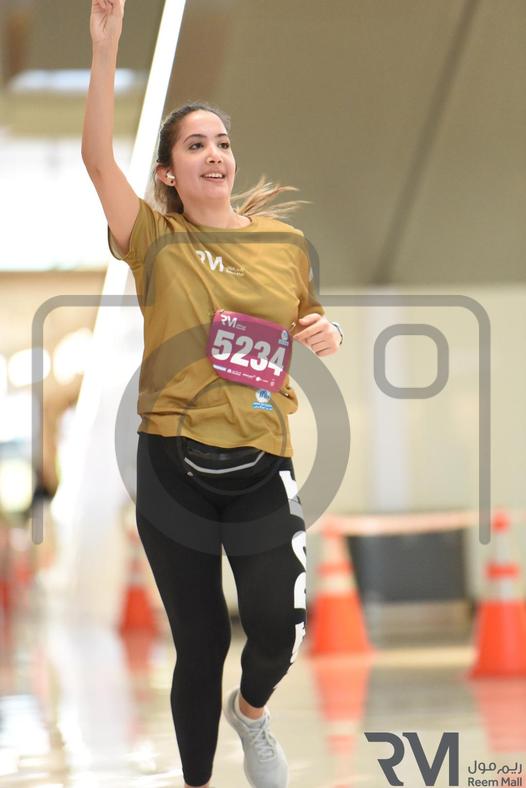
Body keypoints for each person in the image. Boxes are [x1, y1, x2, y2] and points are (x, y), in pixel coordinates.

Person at [82, 2, 343, 786]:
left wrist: (325, 330)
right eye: (195, 144)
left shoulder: (286, 246)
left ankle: (252, 714)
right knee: (200, 644)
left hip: (261, 459)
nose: (215, 154)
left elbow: (305, 321)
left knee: (277, 627)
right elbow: (97, 160)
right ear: (169, 171)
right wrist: (105, 50)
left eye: (222, 142)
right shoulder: (154, 242)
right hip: (172, 467)